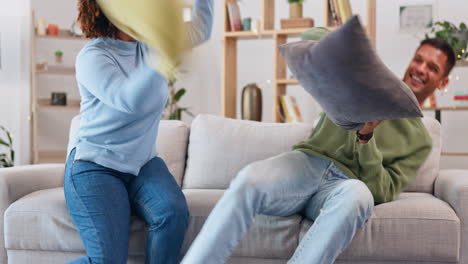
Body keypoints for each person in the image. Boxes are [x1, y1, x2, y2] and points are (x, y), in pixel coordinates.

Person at [182, 38, 456, 264]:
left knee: (359, 196)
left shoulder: (420, 140)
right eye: (419, 59)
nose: (421, 68)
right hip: (307, 164)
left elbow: (381, 191)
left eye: (432, 67)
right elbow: (314, 38)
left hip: (346, 185)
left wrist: (366, 137)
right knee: (248, 179)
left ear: (442, 82)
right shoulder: (365, 83)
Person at [63, 0, 213, 263]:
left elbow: (200, 29)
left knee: (172, 213)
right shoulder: (93, 56)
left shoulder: (151, 47)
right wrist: (163, 55)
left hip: (142, 164)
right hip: (95, 165)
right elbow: (127, 100)